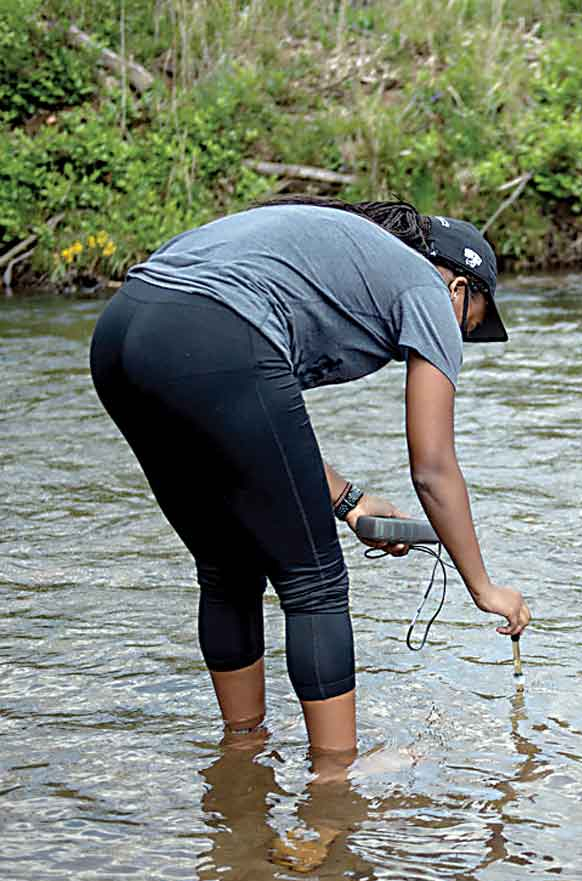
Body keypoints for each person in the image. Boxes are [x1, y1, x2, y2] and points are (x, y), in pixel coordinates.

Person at [89, 197, 532, 755]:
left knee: (228, 566)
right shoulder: (428, 288)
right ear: (459, 286)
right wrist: (483, 587)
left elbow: (257, 425)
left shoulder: (338, 257)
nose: (461, 336)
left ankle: (243, 752)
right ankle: (333, 788)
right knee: (315, 582)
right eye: (473, 322)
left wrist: (349, 501)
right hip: (217, 333)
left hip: (123, 330)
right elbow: (434, 469)